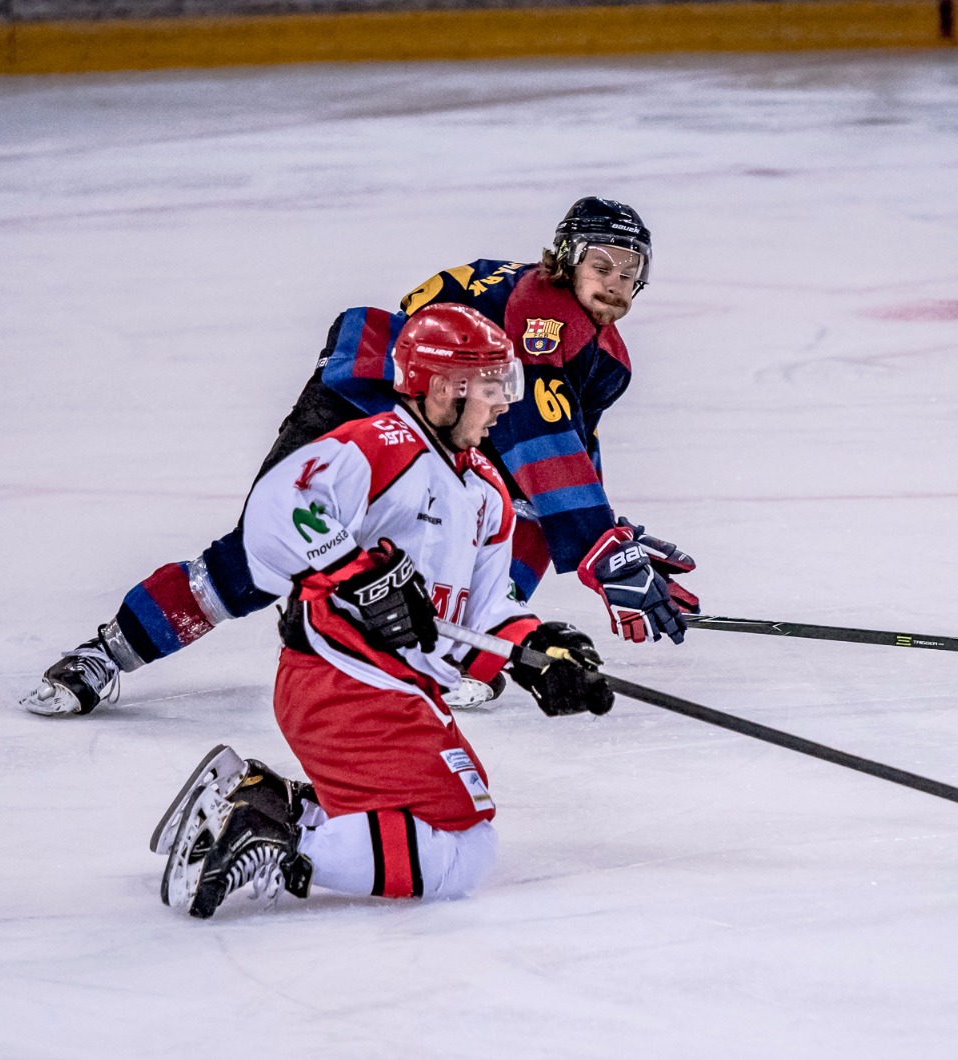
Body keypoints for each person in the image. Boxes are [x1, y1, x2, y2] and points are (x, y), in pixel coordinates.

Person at [22, 197, 698, 718]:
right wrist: (600, 550)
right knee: (268, 556)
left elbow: (558, 455)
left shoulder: (600, 359)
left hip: (453, 422)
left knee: (490, 535)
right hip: (366, 405)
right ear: (565, 258)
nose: (615, 282)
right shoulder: (542, 310)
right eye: (601, 265)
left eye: (629, 272)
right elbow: (536, 435)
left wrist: (613, 545)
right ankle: (108, 653)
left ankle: (479, 649)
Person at [155, 304, 614, 919]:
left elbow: (482, 610)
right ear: (444, 388)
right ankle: (282, 840)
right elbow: (275, 509)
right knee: (460, 847)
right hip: (344, 680)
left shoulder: (486, 491)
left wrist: (538, 652)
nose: (505, 402)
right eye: (492, 387)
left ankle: (272, 803)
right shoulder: (378, 445)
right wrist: (356, 573)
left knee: (441, 829)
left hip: (394, 689)